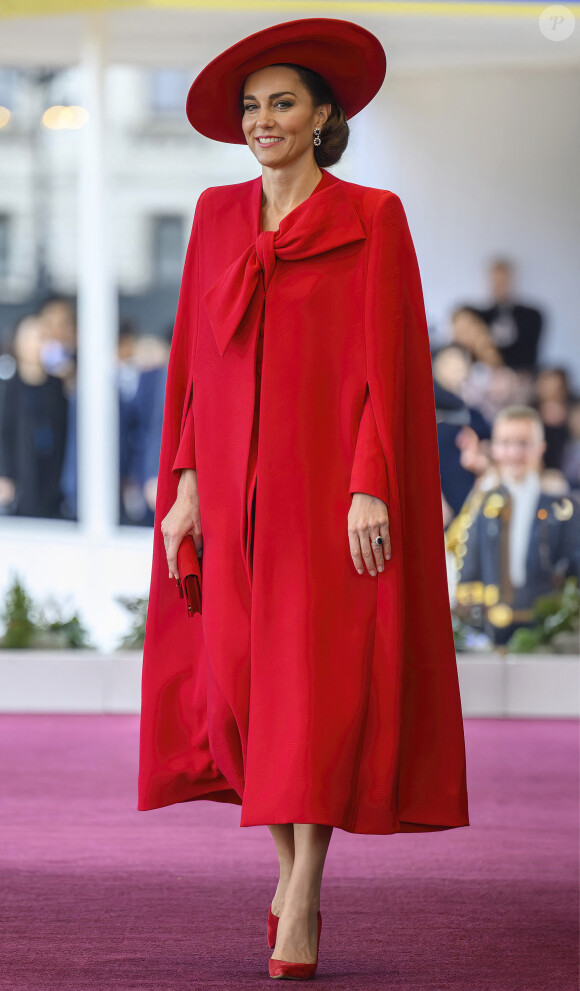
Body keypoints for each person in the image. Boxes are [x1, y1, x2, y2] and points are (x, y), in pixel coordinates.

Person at [137, 18, 469, 981]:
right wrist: (186, 483)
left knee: (311, 695)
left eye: (283, 102)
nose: (262, 119)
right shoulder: (213, 214)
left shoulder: (375, 215)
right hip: (230, 496)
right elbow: (196, 365)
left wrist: (372, 483)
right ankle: (285, 871)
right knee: (242, 690)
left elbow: (388, 366)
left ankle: (307, 894)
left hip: (326, 496)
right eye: (252, 105)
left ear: (324, 116)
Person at [446, 406, 580, 646]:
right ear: (494, 448)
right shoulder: (481, 504)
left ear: (541, 447)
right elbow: (470, 565)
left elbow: (572, 563)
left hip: (548, 631)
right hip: (490, 629)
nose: (514, 453)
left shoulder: (562, 507)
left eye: (524, 443)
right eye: (506, 443)